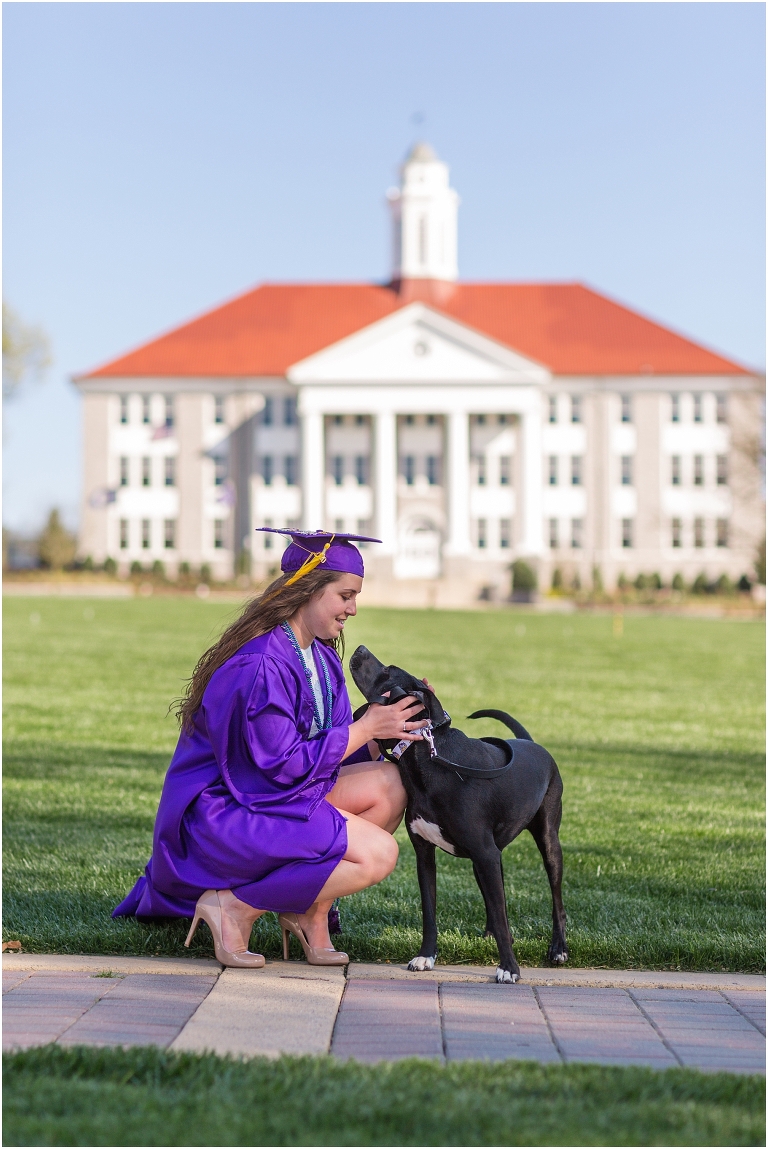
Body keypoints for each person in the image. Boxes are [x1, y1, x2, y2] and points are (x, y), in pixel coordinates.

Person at [113, 529, 429, 968]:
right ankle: (235, 907)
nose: (353, 609)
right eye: (345, 595)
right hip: (225, 811)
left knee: (391, 786)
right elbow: (277, 767)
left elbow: (324, 754)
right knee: (379, 854)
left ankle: (308, 911)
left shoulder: (317, 657)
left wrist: (387, 729)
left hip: (271, 798)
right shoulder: (261, 662)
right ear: (309, 589)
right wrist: (362, 730)